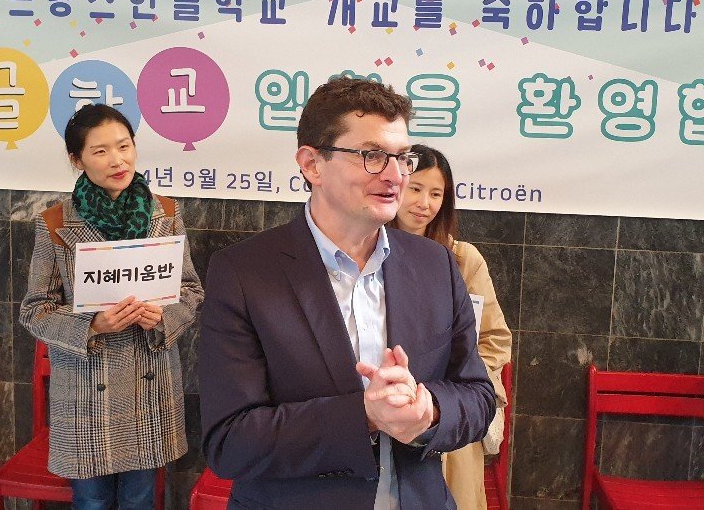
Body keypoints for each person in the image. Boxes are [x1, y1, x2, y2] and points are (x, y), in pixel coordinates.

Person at [199, 76, 496, 509]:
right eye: (372, 155)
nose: (395, 175)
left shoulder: (435, 265)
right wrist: (365, 416)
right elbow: (230, 441)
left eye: (403, 157)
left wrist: (428, 409)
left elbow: (478, 397)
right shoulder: (244, 273)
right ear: (312, 165)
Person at [20, 103, 203, 510]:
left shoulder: (166, 212)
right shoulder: (55, 223)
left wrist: (162, 317)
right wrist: (92, 324)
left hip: (149, 384)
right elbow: (34, 310)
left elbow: (190, 289)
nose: (117, 160)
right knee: (92, 501)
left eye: (124, 146)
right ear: (77, 159)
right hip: (87, 388)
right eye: (100, 151)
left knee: (140, 499)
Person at [389, 144, 511, 510]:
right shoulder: (368, 254)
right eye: (416, 188)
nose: (424, 203)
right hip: (388, 408)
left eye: (436, 193)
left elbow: (495, 338)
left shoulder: (462, 259)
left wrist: (460, 378)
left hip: (448, 410)